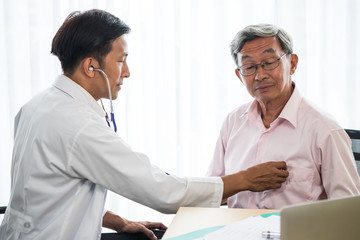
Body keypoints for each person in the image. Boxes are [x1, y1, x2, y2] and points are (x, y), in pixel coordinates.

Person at [0, 11, 289, 240]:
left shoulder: (38, 105)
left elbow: (50, 191)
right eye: (121, 60)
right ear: (91, 67)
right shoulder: (77, 125)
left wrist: (118, 221)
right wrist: (245, 180)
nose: (127, 71)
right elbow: (162, 192)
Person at [207, 23, 360, 209]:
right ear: (240, 75)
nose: (260, 75)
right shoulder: (232, 122)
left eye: (269, 63)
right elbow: (211, 192)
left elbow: (347, 211)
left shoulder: (324, 129)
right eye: (248, 67)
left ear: (293, 64)